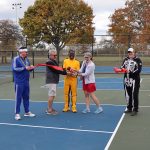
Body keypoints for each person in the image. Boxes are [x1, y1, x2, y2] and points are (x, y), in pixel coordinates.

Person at [12, 47, 36, 120]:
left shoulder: (27, 59)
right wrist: (25, 68)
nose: (27, 53)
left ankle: (27, 112)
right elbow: (14, 68)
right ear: (21, 52)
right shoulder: (16, 59)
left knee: (26, 97)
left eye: (27, 52)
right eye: (26, 52)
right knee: (18, 97)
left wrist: (31, 68)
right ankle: (17, 113)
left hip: (26, 81)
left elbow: (28, 69)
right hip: (19, 82)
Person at [121, 48, 142, 116]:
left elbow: (139, 70)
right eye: (129, 52)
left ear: (134, 52)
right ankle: (129, 108)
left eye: (131, 52)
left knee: (134, 94)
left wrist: (130, 72)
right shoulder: (125, 59)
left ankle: (135, 109)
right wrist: (120, 69)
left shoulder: (138, 60)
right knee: (127, 94)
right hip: (126, 79)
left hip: (135, 80)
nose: (130, 54)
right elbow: (122, 67)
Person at [45, 50, 67, 115]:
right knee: (51, 95)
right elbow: (56, 70)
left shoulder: (53, 61)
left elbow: (59, 68)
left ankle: (50, 108)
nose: (55, 56)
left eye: (56, 55)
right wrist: (66, 73)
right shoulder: (49, 62)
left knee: (53, 95)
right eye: (54, 55)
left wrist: (67, 69)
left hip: (54, 80)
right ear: (50, 55)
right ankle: (49, 109)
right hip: (51, 80)